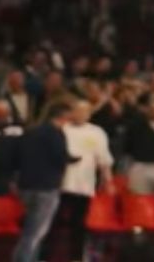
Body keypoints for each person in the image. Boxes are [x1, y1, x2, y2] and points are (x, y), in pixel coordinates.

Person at [10, 103, 76, 262]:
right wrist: (73, 159)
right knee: (36, 231)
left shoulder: (30, 132)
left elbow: (17, 155)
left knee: (29, 228)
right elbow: (60, 156)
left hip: (26, 185)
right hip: (46, 187)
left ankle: (30, 258)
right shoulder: (56, 133)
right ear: (64, 117)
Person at [57, 99, 112, 262]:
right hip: (60, 185)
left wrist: (108, 180)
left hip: (84, 185)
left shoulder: (97, 132)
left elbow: (104, 159)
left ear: (89, 114)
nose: (81, 114)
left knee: (79, 224)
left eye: (84, 111)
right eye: (77, 110)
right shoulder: (62, 129)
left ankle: (76, 257)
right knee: (55, 223)